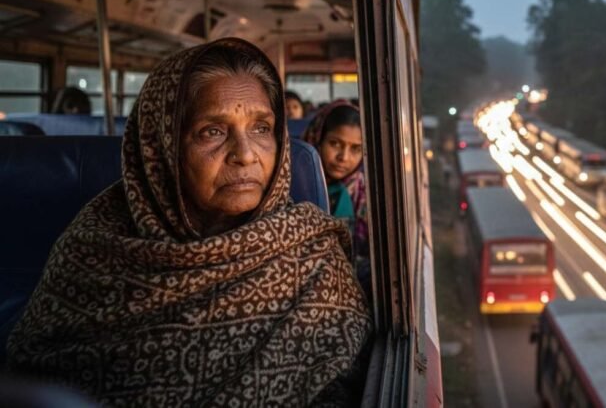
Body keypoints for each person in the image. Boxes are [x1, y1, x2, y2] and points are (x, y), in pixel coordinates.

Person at [7, 38, 371, 406]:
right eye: (213, 131)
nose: (246, 155)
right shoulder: (91, 248)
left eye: (262, 128)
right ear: (163, 148)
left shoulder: (313, 255)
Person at [303, 101, 370, 293]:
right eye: (335, 144)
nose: (344, 157)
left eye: (355, 149)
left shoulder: (362, 191)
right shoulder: (293, 182)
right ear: (317, 138)